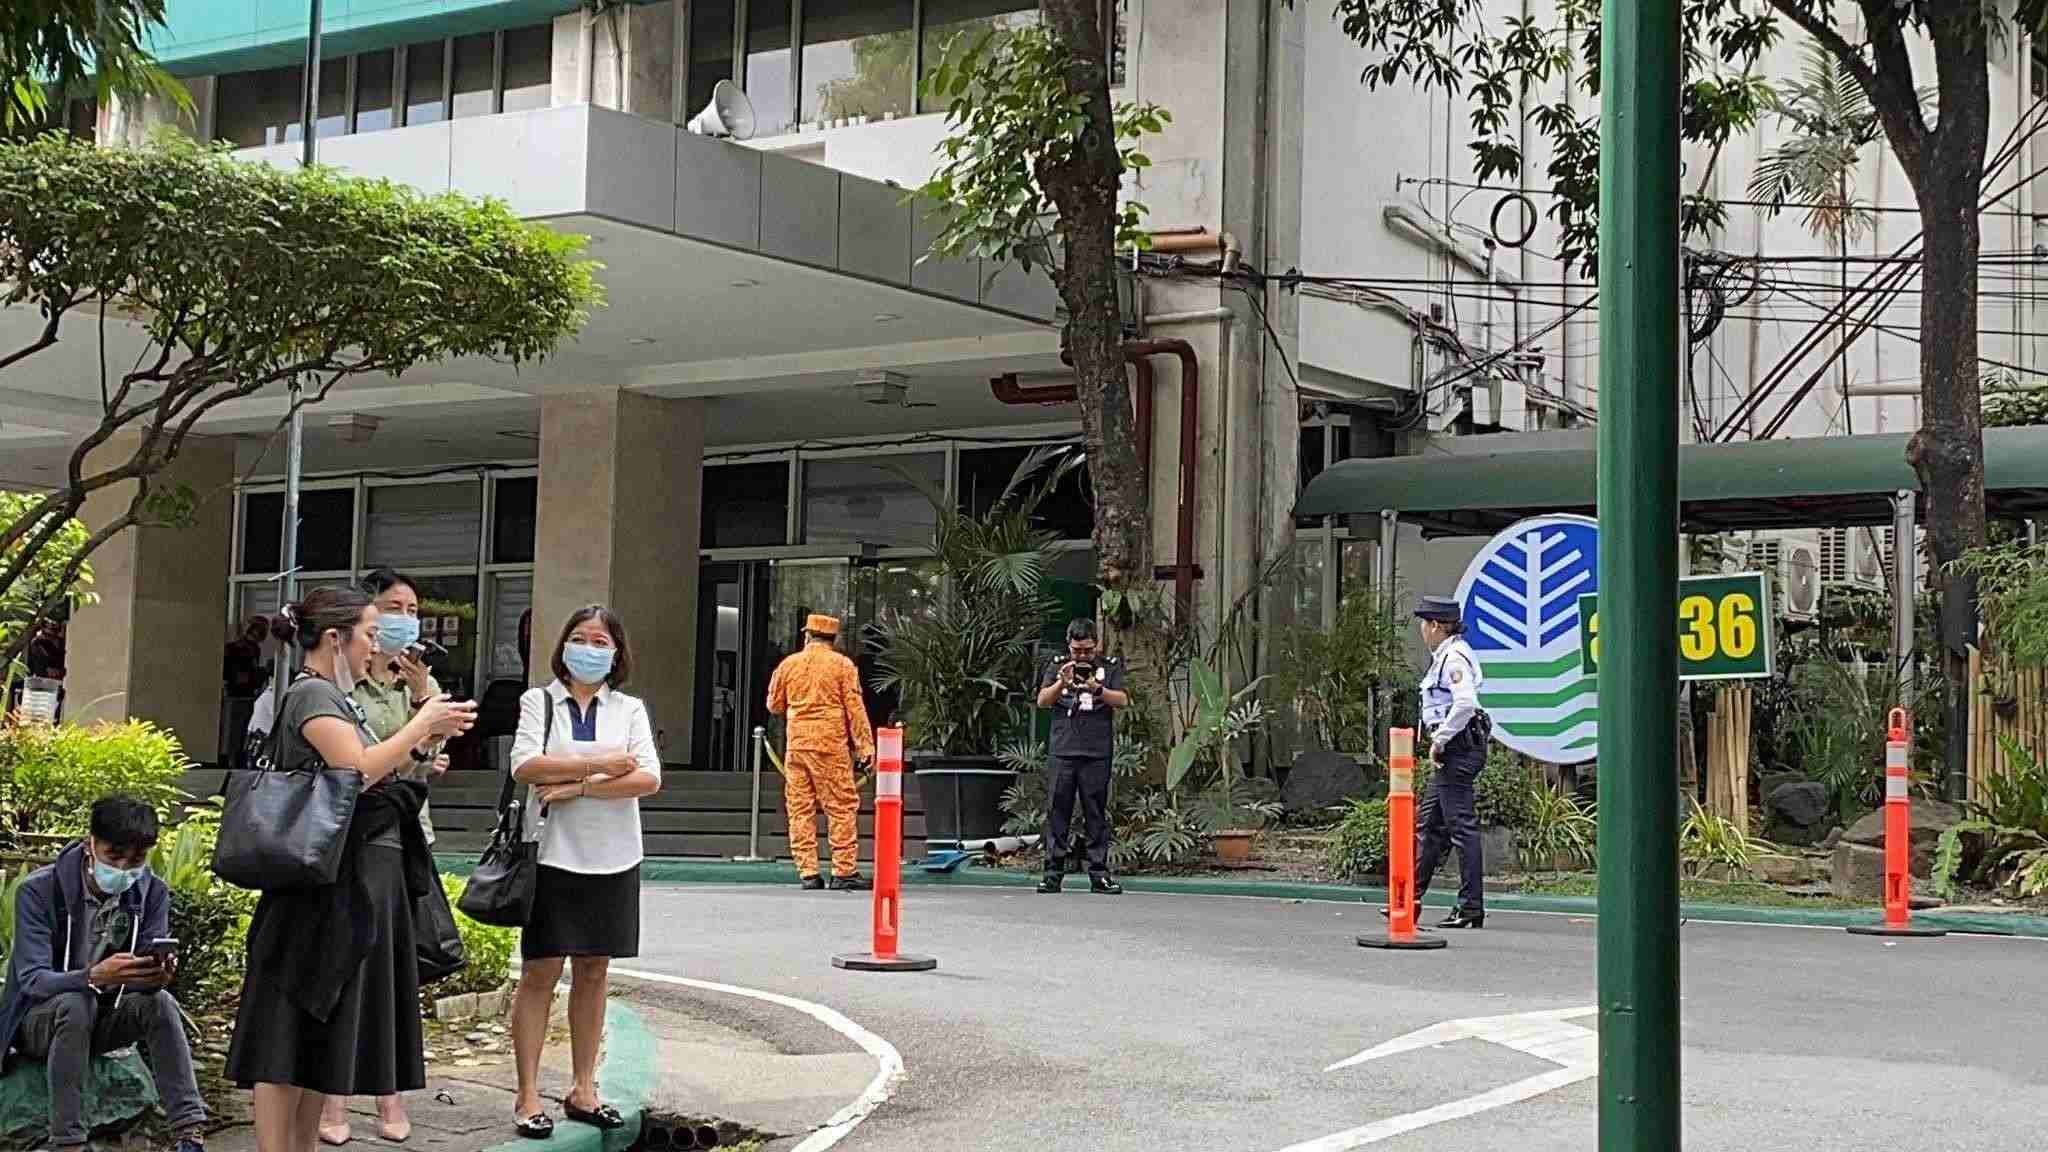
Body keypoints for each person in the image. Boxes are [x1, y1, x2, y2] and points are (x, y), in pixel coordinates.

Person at [225, 587, 477, 1152]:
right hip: (314, 891)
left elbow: (382, 772)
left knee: (317, 1038)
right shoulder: (312, 694)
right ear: (335, 639)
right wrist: (420, 723)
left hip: (342, 886)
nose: (376, 646)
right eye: (369, 634)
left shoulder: (338, 698)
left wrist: (425, 736)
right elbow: (355, 769)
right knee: (284, 1039)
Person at [507, 606, 661, 1141]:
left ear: (616, 654)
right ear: (563, 646)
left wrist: (577, 786)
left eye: (600, 642)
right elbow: (526, 765)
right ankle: (528, 1095)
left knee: (594, 970)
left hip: (616, 856)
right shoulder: (540, 701)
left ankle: (583, 1088)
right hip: (552, 854)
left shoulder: (630, 709)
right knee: (540, 972)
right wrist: (604, 765)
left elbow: (648, 778)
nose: (589, 649)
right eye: (579, 638)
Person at [317, 569, 450, 1147]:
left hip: (405, 835)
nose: (404, 620)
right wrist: (417, 740)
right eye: (393, 608)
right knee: (347, 966)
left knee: (396, 970)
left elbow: (419, 765)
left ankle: (388, 1094)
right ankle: (333, 1097)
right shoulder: (340, 685)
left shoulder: (418, 684)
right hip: (349, 838)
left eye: (413, 610)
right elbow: (359, 764)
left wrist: (423, 713)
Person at [0, 796, 207, 1152]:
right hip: (39, 1022)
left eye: (137, 860)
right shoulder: (39, 890)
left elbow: (142, 972)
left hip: (103, 1017)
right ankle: (68, 1141)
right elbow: (33, 980)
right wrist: (93, 976)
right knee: (75, 1003)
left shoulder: (151, 892)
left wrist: (156, 975)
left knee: (160, 1002)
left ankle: (188, 1132)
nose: (124, 868)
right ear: (90, 844)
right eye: (114, 856)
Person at [1384, 595, 1490, 930]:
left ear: (1435, 626)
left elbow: (1465, 703)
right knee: (1430, 825)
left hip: (1457, 748)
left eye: (1424, 624)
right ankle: (1409, 900)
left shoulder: (1454, 657)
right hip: (1454, 749)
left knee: (1460, 828)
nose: (1421, 630)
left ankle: (1470, 906)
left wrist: (1440, 739)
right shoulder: (1445, 656)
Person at [765, 614, 874, 892]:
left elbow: (774, 705)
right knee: (840, 806)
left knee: (799, 808)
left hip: (797, 746)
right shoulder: (842, 665)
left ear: (807, 636)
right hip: (830, 746)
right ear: (833, 639)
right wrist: (865, 747)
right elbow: (855, 709)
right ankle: (843, 871)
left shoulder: (788, 664)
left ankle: (808, 872)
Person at [1034, 619, 1126, 895]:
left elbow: (1122, 700)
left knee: (1095, 813)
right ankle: (1052, 874)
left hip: (1096, 751)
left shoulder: (1109, 666)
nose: (1082, 656)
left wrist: (1097, 688)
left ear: (1096, 644)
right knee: (1058, 812)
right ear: (1069, 645)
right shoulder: (1058, 666)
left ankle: (1099, 874)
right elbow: (1042, 701)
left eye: (1087, 650)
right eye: (1077, 650)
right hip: (1063, 750)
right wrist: (1062, 681)